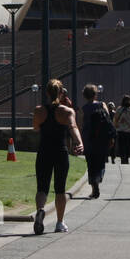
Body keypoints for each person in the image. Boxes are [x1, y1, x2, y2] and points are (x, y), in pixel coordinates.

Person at [32, 79, 83, 233]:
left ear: (47, 92)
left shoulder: (39, 110)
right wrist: (79, 142)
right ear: (62, 93)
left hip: (44, 151)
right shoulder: (67, 111)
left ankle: (40, 210)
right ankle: (59, 222)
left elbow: (35, 128)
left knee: (42, 187)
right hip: (60, 152)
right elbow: (73, 127)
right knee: (60, 189)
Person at [80, 84, 112, 199]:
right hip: (101, 138)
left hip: (88, 138)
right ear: (95, 94)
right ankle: (98, 177)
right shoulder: (102, 105)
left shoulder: (83, 109)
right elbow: (108, 120)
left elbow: (80, 125)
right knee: (101, 161)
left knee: (91, 164)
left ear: (84, 95)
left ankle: (94, 186)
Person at [113, 95, 130, 166]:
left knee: (122, 146)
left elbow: (115, 119)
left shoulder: (119, 109)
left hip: (121, 130)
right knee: (127, 146)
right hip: (129, 131)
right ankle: (125, 158)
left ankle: (123, 158)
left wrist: (115, 126)